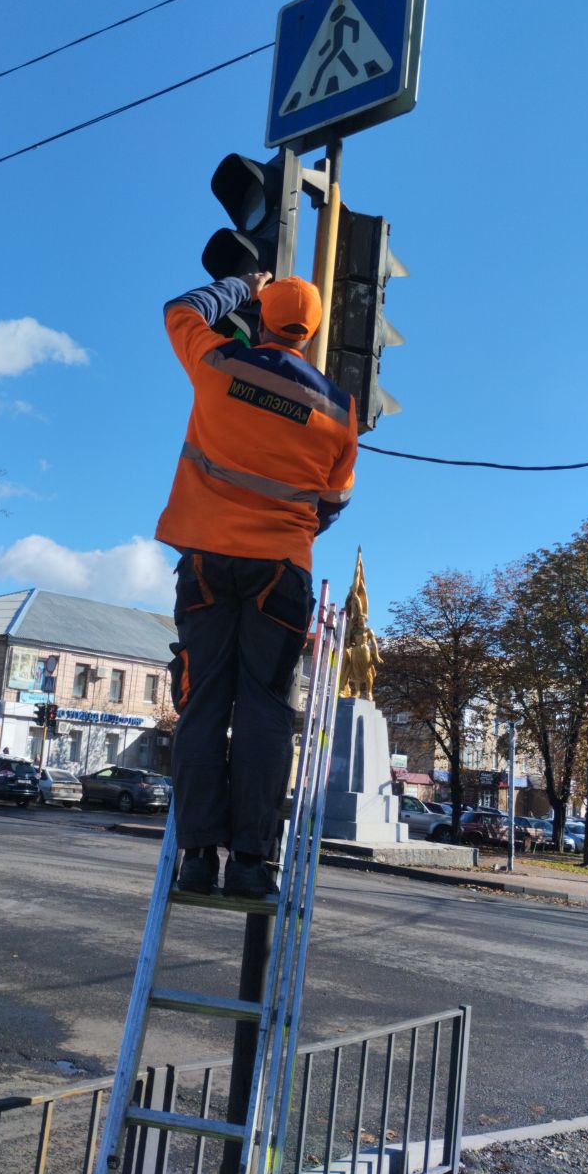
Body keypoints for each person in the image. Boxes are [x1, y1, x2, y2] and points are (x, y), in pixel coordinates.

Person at [156, 270, 358, 898]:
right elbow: (334, 501)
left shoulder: (218, 364)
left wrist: (243, 283)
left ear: (264, 318)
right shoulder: (339, 410)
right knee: (266, 714)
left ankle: (195, 859)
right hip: (281, 570)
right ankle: (250, 864)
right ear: (313, 332)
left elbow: (179, 309)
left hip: (208, 564)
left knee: (203, 704)